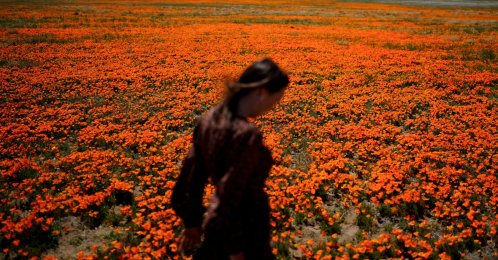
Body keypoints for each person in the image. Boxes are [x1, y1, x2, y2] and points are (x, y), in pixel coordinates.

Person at [170, 58, 289, 260]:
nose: (272, 107)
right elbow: (228, 196)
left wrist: (192, 222)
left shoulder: (208, 120)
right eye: (275, 100)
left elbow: (191, 176)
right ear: (261, 92)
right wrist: (235, 250)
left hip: (219, 231)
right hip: (245, 231)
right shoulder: (246, 135)